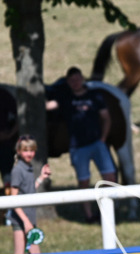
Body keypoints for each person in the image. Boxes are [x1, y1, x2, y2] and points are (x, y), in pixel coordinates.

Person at [46, 67, 117, 223]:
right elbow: (49, 106)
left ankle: (106, 211)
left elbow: (106, 117)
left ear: (83, 79)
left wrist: (103, 138)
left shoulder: (95, 96)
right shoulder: (66, 98)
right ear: (68, 83)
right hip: (78, 147)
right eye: (72, 81)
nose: (76, 83)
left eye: (78, 79)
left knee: (109, 177)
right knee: (83, 182)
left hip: (97, 144)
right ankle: (89, 215)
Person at [7, 135, 51, 254]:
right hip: (20, 219)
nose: (29, 154)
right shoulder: (18, 170)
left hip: (29, 218)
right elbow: (13, 199)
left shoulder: (28, 167)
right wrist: (26, 222)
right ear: (18, 151)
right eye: (25, 150)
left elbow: (28, 191)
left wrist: (41, 177)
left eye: (32, 150)